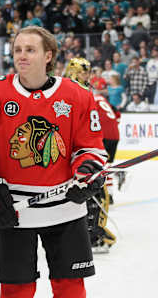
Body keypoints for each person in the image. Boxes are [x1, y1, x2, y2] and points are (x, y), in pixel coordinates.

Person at [0, 26, 108, 298]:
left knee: (70, 289)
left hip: (66, 208)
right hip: (13, 209)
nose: (21, 56)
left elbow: (90, 147)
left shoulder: (77, 95)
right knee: (16, 291)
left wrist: (86, 173)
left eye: (30, 50)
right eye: (17, 50)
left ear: (48, 55)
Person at [65, 57, 120, 254]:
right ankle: (91, 231)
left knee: (93, 185)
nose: (86, 76)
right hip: (98, 141)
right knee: (95, 184)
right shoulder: (86, 92)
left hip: (92, 143)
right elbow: (116, 116)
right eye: (83, 72)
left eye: (86, 72)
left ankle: (93, 231)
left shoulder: (74, 91)